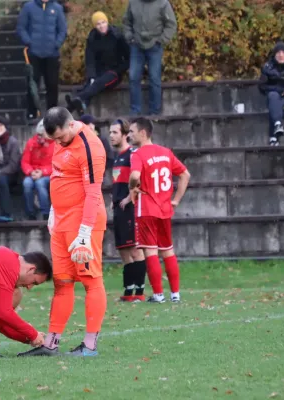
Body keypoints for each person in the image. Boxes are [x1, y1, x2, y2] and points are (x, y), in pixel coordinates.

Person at [18, 107, 107, 357]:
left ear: (71, 125)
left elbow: (92, 192)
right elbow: (60, 177)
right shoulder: (60, 138)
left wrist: (84, 234)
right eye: (53, 139)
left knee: (91, 281)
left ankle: (90, 346)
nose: (57, 143)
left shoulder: (90, 146)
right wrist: (53, 212)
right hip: (62, 222)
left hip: (83, 223)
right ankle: (51, 343)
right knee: (62, 283)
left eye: (60, 138)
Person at [128, 117, 190, 303]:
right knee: (168, 251)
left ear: (143, 133)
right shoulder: (166, 152)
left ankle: (158, 295)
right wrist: (176, 200)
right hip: (164, 209)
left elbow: (134, 175)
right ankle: (175, 294)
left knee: (150, 252)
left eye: (131, 131)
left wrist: (132, 186)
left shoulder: (137, 154)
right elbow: (185, 174)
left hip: (147, 209)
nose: (129, 135)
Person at [108, 118, 146, 302]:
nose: (111, 136)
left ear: (124, 134)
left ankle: (140, 291)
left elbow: (139, 178)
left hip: (129, 207)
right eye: (110, 132)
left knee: (135, 250)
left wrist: (130, 197)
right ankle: (128, 291)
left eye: (115, 132)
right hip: (118, 208)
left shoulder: (132, 154)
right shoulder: (117, 157)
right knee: (123, 250)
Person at [65, 11, 130, 116]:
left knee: (98, 83)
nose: (101, 26)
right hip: (99, 70)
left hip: (114, 72)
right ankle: (81, 105)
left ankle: (77, 100)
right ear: (95, 26)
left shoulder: (117, 36)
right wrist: (91, 75)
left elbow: (128, 58)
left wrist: (119, 70)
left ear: (107, 22)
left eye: (103, 22)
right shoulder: (92, 38)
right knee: (90, 84)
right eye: (98, 24)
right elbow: (90, 59)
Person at [123, 0, 177, 116]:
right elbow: (127, 21)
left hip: (155, 46)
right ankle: (135, 110)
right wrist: (129, 37)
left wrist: (161, 40)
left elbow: (171, 24)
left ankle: (155, 112)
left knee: (154, 78)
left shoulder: (163, 3)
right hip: (136, 45)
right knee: (133, 77)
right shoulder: (133, 2)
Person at [17, 0, 68, 120]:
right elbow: (21, 28)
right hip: (34, 54)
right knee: (32, 84)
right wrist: (29, 42)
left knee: (52, 84)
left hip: (52, 54)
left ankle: (53, 115)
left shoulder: (57, 8)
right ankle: (32, 112)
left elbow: (62, 30)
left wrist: (56, 44)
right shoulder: (28, 7)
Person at [21, 119, 55, 220]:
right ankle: (30, 212)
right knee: (27, 183)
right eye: (39, 134)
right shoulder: (31, 143)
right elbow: (25, 162)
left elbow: (56, 164)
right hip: (33, 172)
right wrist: (30, 171)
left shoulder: (55, 144)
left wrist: (43, 172)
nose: (41, 137)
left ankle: (45, 212)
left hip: (48, 173)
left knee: (40, 184)